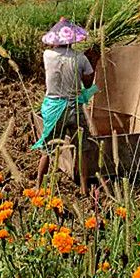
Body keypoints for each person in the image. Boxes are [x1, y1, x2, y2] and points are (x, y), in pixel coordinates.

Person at [31, 17, 98, 193]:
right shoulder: (81, 58)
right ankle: (84, 188)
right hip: (74, 109)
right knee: (82, 149)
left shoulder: (47, 55)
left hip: (53, 109)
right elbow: (89, 84)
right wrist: (93, 61)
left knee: (47, 150)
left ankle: (38, 186)